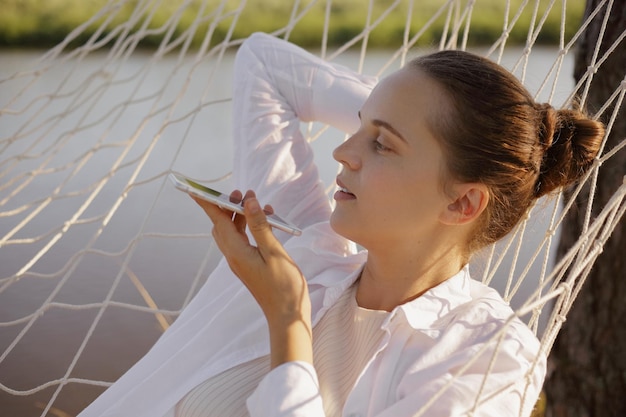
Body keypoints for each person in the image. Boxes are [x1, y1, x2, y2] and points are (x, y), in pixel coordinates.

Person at [78, 32, 604, 417]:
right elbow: (265, 65)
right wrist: (425, 124)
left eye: (380, 145)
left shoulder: (485, 359)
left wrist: (289, 321)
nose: (341, 152)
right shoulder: (303, 242)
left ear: (464, 204)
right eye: (359, 127)